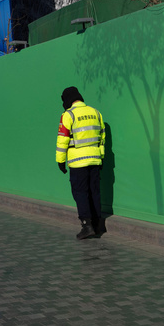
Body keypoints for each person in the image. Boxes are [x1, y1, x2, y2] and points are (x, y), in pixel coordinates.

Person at [55, 86, 106, 240]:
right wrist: (101, 157)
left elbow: (62, 140)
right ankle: (98, 225)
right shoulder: (96, 112)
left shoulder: (68, 115)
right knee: (94, 192)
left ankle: (86, 225)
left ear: (67, 100)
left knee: (80, 192)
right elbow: (102, 137)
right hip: (95, 159)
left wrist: (60, 161)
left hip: (78, 162)